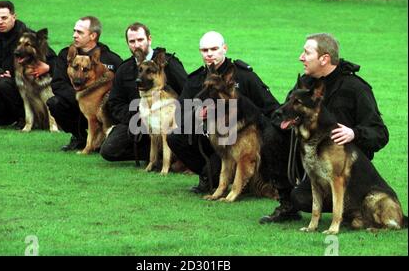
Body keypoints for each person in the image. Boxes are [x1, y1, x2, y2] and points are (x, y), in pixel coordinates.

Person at [259, 33, 389, 224]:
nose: (300, 57)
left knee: (306, 197)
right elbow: (279, 115)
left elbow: (380, 133)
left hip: (348, 169)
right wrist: (293, 124)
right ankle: (287, 204)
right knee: (272, 136)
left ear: (324, 58)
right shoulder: (305, 84)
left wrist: (354, 133)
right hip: (312, 158)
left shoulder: (355, 88)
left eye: (306, 52)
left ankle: (353, 208)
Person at [166, 31, 280, 193]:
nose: (209, 54)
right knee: (175, 137)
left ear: (224, 48)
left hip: (239, 141)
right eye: (205, 50)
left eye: (214, 49)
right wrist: (198, 116)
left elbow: (271, 108)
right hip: (208, 141)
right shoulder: (195, 80)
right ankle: (208, 174)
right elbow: (181, 115)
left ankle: (248, 177)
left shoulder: (244, 76)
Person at [99, 22, 188, 162]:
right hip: (138, 121)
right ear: (127, 43)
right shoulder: (124, 69)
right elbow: (115, 103)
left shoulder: (168, 63)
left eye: (140, 40)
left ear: (149, 39)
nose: (136, 45)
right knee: (109, 150)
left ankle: (168, 154)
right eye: (132, 41)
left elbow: (186, 91)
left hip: (168, 121)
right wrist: (136, 117)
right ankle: (155, 155)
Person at [0, 0, 56, 128]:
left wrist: (47, 67)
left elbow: (55, 60)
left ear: (14, 17)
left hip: (30, 90)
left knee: (4, 83)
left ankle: (23, 118)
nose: (0, 21)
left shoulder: (29, 37)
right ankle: (11, 116)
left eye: (4, 18)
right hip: (5, 92)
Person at [47, 16, 122, 151]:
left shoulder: (111, 59)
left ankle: (105, 139)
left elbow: (121, 86)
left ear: (93, 35)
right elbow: (58, 84)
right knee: (55, 103)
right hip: (74, 104)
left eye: (79, 32)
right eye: (74, 31)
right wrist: (81, 99)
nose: (74, 35)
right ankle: (79, 137)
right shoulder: (66, 55)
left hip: (103, 107)